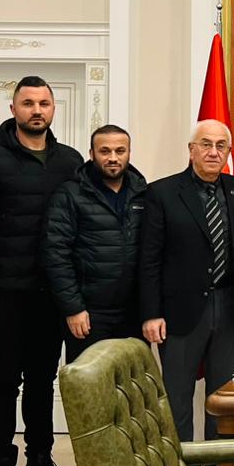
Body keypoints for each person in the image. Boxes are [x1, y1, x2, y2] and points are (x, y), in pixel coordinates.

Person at [0, 77, 84, 466]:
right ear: (13, 109)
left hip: (51, 294)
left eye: (44, 103)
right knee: (3, 381)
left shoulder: (70, 161)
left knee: (42, 380)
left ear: (53, 109)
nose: (37, 110)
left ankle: (40, 461)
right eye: (28, 103)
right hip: (4, 293)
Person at [139, 119, 234, 445]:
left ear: (228, 152)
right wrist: (151, 313)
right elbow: (149, 259)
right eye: (206, 144)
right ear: (191, 150)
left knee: (223, 399)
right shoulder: (162, 193)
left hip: (229, 308)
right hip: (180, 311)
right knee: (177, 398)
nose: (213, 152)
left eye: (221, 146)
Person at [42, 123, 148, 362]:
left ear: (129, 153)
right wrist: (73, 308)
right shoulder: (70, 194)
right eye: (104, 151)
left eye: (120, 151)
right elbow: (56, 256)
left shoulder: (144, 193)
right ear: (91, 154)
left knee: (130, 382)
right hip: (89, 315)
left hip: (133, 314)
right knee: (87, 383)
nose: (113, 158)